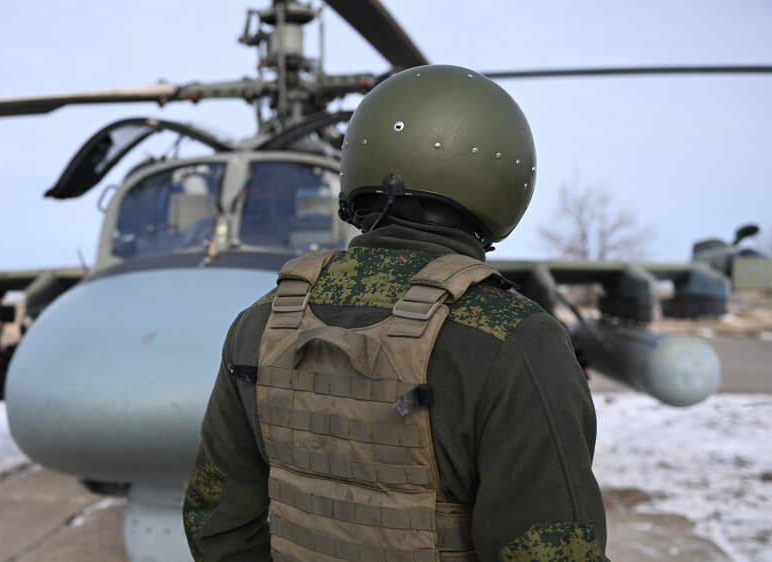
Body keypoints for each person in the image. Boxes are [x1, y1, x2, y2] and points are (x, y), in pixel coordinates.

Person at [184, 65, 607, 561]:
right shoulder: (513, 338)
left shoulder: (264, 322)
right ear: (508, 179)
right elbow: (555, 549)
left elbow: (215, 522)